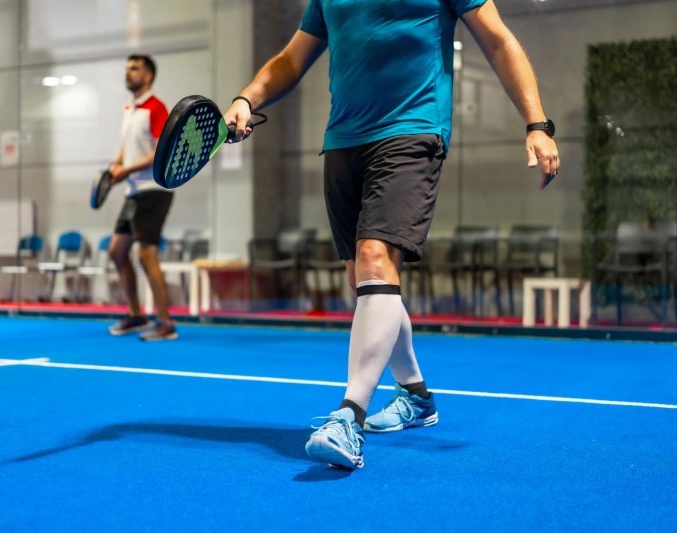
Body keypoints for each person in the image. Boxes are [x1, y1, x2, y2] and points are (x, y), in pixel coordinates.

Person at [224, 0, 559, 469]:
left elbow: (499, 39)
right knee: (366, 285)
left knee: (376, 259)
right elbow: (291, 59)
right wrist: (247, 98)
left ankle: (348, 416)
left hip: (412, 130)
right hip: (343, 142)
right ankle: (416, 396)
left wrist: (537, 125)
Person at [107, 54, 178, 341]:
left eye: (134, 69)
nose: (128, 73)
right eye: (126, 68)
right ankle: (136, 315)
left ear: (148, 76)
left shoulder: (156, 108)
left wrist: (127, 170)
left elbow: (159, 152)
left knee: (146, 255)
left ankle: (165, 323)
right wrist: (115, 166)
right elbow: (126, 147)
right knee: (116, 251)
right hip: (133, 191)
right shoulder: (130, 109)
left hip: (154, 191)